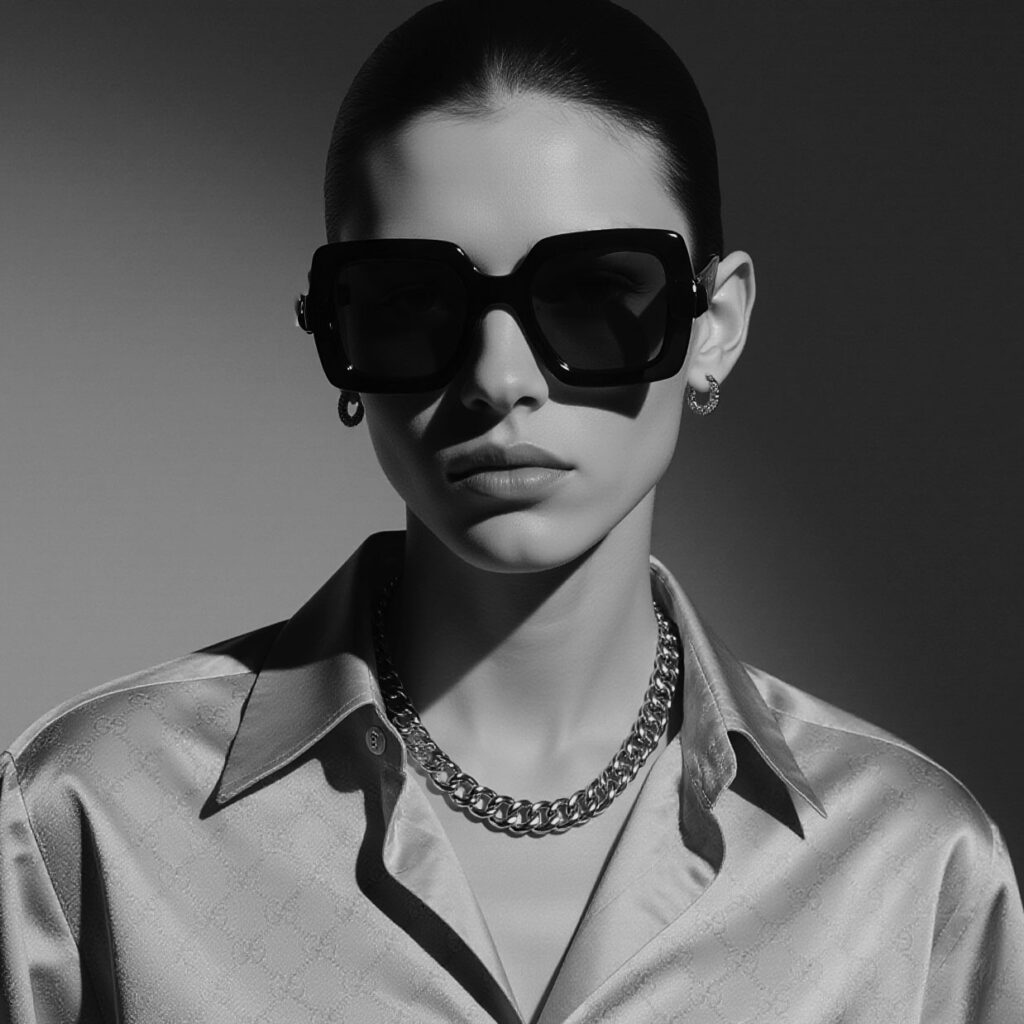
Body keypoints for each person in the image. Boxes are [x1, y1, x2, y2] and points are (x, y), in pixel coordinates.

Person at [1, 1, 1021, 1021]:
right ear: (337, 337)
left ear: (713, 327)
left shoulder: (910, 871)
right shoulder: (87, 819)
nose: (499, 378)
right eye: (408, 303)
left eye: (590, 293)